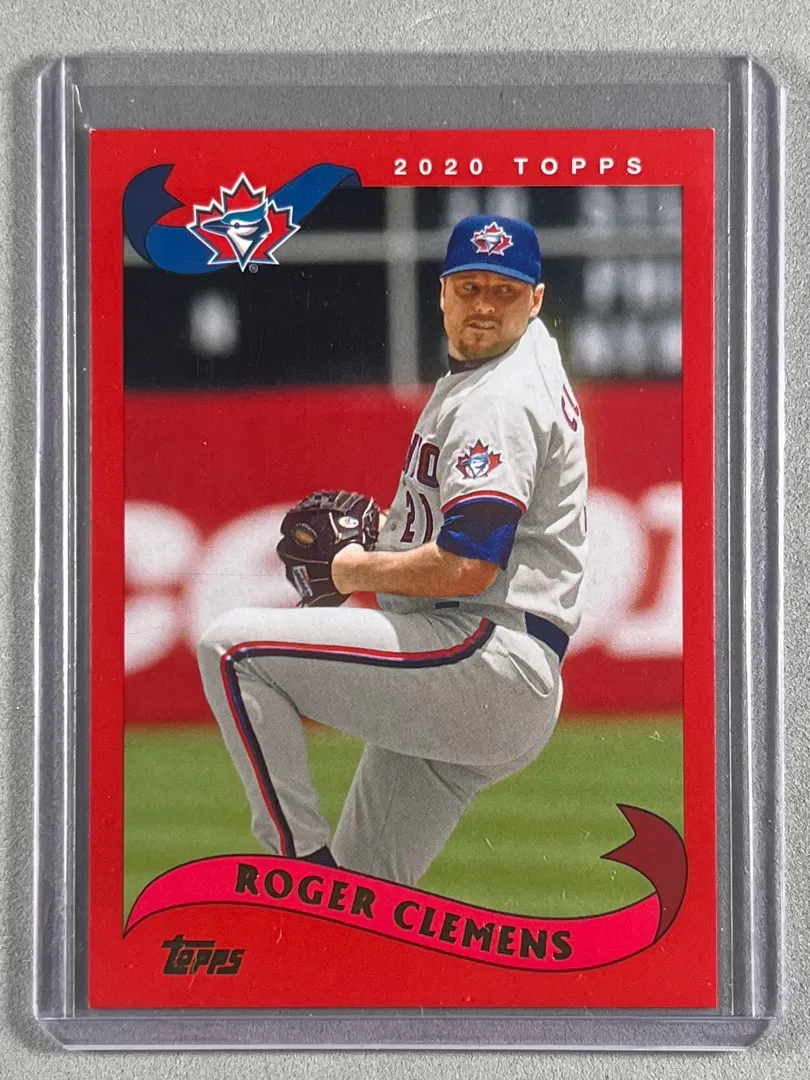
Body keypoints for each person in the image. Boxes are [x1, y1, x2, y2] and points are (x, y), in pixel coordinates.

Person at [197, 214, 588, 886]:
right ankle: (334, 912)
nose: (485, 306)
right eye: (470, 288)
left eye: (505, 291)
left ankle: (301, 869)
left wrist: (353, 567)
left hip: (483, 656)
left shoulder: (497, 399)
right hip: (499, 677)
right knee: (364, 895)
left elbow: (469, 564)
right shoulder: (521, 361)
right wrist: (390, 531)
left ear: (536, 299)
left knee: (232, 650)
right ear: (443, 292)